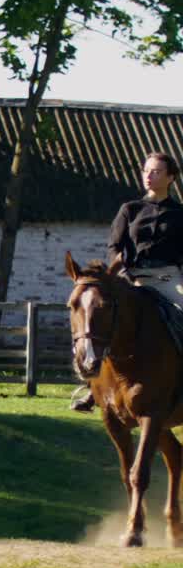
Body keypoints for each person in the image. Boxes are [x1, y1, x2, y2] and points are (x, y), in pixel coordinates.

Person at [71, 150, 183, 412]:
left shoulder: (180, 214)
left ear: (171, 177)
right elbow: (114, 246)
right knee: (101, 320)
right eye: (146, 171)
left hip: (168, 279)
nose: (149, 176)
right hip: (130, 280)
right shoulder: (129, 209)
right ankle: (92, 388)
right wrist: (119, 270)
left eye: (156, 171)